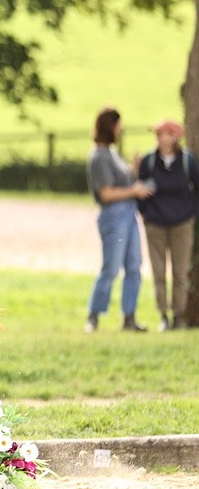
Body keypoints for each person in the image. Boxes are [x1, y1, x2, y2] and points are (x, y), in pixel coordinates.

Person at [84, 107, 154, 333]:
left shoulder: (112, 153)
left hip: (128, 215)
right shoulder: (99, 156)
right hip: (114, 217)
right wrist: (134, 190)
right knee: (111, 268)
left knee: (134, 266)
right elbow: (106, 193)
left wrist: (132, 170)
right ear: (109, 127)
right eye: (118, 125)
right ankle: (93, 315)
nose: (120, 130)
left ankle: (129, 316)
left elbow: (120, 184)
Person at [136, 119, 199, 330]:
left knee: (180, 272)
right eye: (158, 133)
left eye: (163, 133)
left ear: (174, 137)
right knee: (158, 272)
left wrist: (192, 215)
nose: (159, 137)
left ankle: (178, 315)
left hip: (182, 224)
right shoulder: (149, 161)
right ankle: (163, 315)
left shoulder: (187, 161)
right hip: (156, 224)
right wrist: (146, 214)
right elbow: (140, 188)